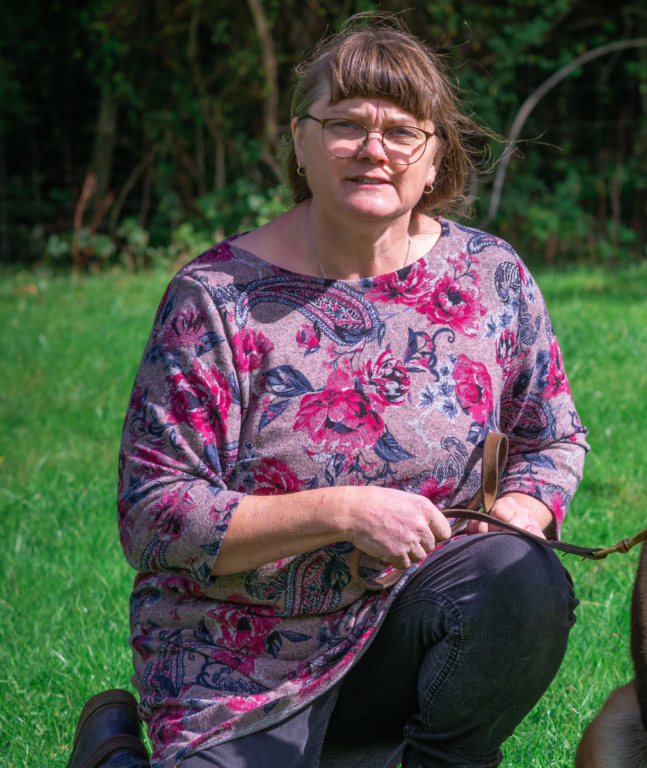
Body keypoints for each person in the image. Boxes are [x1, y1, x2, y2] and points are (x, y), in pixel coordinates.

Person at [67, 16, 588, 768]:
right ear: (300, 142)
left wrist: (516, 517)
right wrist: (342, 511)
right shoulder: (215, 298)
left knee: (520, 577)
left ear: (436, 156)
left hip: (410, 631)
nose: (374, 149)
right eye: (345, 124)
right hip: (237, 662)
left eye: (401, 132)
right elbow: (154, 514)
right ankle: (114, 753)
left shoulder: (490, 277)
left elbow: (553, 438)